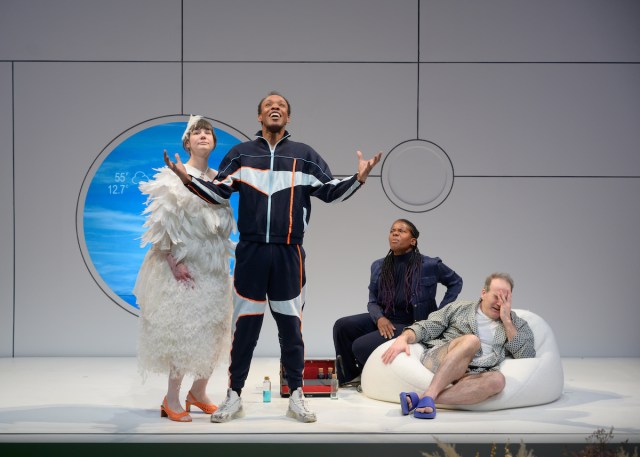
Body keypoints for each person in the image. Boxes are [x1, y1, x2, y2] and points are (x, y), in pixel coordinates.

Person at [164, 91, 382, 423]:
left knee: (291, 330)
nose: (274, 108)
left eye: (280, 106)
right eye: (268, 106)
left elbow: (331, 191)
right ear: (259, 116)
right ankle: (233, 396)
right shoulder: (241, 154)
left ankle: (297, 395)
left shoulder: (304, 156)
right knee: (245, 331)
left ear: (288, 117)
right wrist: (187, 179)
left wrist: (360, 178)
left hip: (289, 254)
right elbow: (219, 192)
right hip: (250, 253)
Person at [134, 116, 236, 422]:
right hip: (183, 266)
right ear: (186, 142)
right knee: (184, 331)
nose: (203, 136)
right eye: (197, 132)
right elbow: (161, 221)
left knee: (215, 331)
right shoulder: (174, 175)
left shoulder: (220, 179)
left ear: (214, 142)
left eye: (208, 132)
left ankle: (199, 392)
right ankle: (172, 398)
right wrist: (172, 261)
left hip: (214, 266)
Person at [381, 272, 535, 419]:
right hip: (442, 358)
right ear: (483, 293)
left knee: (498, 380)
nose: (500, 303)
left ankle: (423, 398)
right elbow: (427, 327)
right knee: (471, 341)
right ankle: (430, 395)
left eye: (505, 298)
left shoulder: (516, 324)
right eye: (496, 296)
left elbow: (526, 355)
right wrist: (404, 337)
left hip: (475, 373)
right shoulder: (459, 308)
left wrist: (507, 320)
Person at [333, 219, 462, 386]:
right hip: (386, 319)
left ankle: (374, 379)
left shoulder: (429, 264)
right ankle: (350, 377)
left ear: (412, 241)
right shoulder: (378, 266)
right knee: (342, 326)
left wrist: (441, 313)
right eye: (392, 230)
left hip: (412, 323)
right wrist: (379, 318)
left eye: (401, 231)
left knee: (360, 346)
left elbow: (455, 282)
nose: (395, 233)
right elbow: (372, 300)